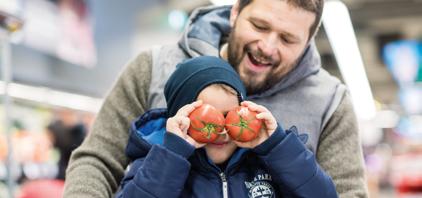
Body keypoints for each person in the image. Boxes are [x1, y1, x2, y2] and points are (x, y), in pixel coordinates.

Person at [64, 1, 368, 197]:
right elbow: (98, 160)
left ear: (308, 42)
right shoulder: (154, 68)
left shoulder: (330, 100)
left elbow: (346, 193)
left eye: (288, 39)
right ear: (235, 12)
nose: (267, 46)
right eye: (259, 26)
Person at [116, 56, 337, 197]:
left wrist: (277, 145)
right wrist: (173, 154)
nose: (220, 129)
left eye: (228, 116)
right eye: (206, 118)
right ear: (178, 118)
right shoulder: (154, 163)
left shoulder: (266, 164)